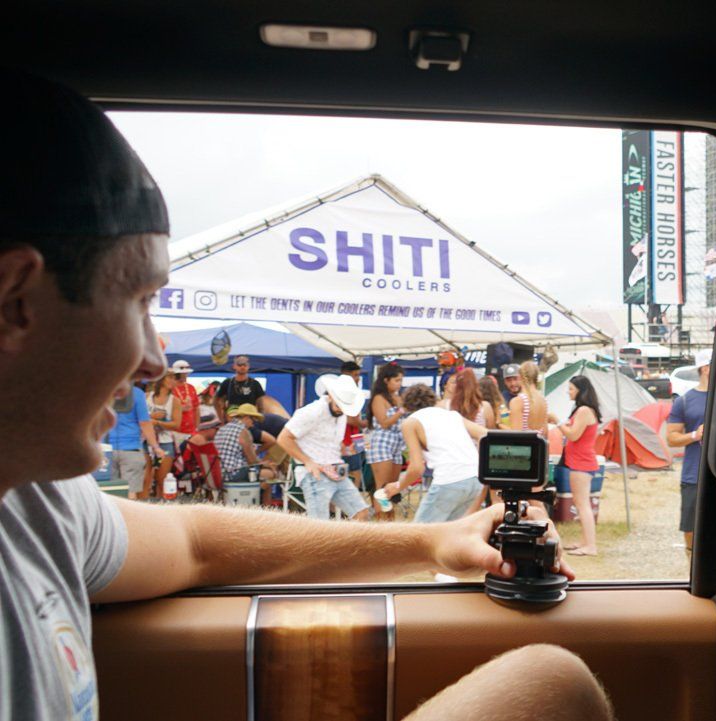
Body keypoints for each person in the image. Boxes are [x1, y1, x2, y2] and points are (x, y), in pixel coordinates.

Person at [0, 71, 605, 721]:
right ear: (16, 301)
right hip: (315, 475)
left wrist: (431, 543)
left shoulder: (37, 498)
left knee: (551, 682)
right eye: (141, 301)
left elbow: (196, 539)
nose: (153, 362)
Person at [383, 384, 486, 523]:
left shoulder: (411, 422)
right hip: (475, 478)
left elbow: (417, 468)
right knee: (449, 535)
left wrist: (397, 487)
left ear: (406, 406)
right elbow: (485, 434)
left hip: (449, 479)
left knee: (419, 536)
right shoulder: (452, 415)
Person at [278, 374, 371, 521]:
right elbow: (283, 438)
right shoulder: (311, 412)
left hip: (336, 470)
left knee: (362, 513)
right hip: (314, 473)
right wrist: (308, 461)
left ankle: (350, 544)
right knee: (320, 525)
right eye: (340, 405)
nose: (341, 410)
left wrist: (348, 450)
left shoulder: (341, 415)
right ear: (331, 396)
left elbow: (333, 444)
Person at [666, 349, 711, 551]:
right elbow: (671, 438)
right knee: (691, 528)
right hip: (694, 475)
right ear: (705, 368)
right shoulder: (683, 401)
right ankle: (693, 570)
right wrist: (695, 435)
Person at [555, 376, 602, 556]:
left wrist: (558, 422)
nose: (569, 391)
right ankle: (585, 542)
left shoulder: (583, 410)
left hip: (581, 463)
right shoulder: (583, 410)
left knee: (582, 505)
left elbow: (574, 435)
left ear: (581, 391)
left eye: (571, 388)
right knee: (582, 504)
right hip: (581, 461)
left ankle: (590, 546)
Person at [106, 384, 166, 501]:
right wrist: (156, 447)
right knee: (130, 492)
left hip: (107, 450)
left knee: (109, 492)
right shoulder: (137, 393)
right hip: (131, 449)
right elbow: (144, 423)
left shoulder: (103, 391)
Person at [367, 363, 407, 515]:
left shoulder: (397, 397)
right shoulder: (378, 398)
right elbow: (383, 423)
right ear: (386, 380)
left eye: (401, 380)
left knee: (392, 489)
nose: (399, 384)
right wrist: (400, 411)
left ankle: (390, 522)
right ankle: (381, 525)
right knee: (382, 489)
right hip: (382, 443)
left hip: (397, 444)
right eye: (396, 380)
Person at [216, 404, 277, 483]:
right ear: (247, 417)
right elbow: (252, 461)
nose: (253, 424)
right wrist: (266, 465)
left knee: (260, 473)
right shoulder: (243, 431)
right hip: (233, 475)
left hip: (219, 473)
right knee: (271, 473)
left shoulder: (223, 429)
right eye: (253, 420)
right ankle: (254, 494)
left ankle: (256, 493)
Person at [146, 373, 182, 498]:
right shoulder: (147, 397)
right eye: (170, 377)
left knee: (163, 481)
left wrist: (157, 422)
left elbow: (177, 424)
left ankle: (161, 507)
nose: (173, 381)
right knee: (145, 480)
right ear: (161, 378)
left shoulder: (175, 401)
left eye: (175, 378)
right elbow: (140, 418)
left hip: (165, 441)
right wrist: (152, 417)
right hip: (146, 441)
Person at [214, 354, 265, 420]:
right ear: (234, 366)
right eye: (239, 365)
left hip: (249, 419)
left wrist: (259, 419)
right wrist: (221, 418)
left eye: (245, 365)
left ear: (248, 366)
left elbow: (261, 406)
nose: (242, 367)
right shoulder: (227, 382)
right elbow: (215, 400)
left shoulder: (255, 384)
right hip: (232, 418)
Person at [508, 361, 548, 435]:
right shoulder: (543, 400)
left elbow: (515, 436)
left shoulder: (518, 401)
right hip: (538, 446)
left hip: (524, 446)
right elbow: (545, 434)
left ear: (520, 377)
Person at [169, 359, 198, 448]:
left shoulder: (191, 388)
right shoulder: (169, 389)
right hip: (175, 431)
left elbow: (196, 408)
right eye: (183, 373)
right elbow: (165, 410)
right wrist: (181, 408)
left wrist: (197, 427)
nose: (186, 375)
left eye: (186, 373)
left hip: (191, 431)